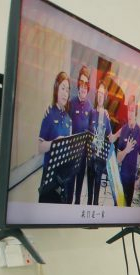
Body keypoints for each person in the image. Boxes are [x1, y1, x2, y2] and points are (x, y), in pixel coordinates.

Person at [37, 72, 74, 204]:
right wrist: (54, 143)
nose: (65, 93)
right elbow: (40, 147)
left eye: (67, 90)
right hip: (49, 178)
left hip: (63, 178)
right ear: (56, 89)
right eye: (62, 88)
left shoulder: (69, 120)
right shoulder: (49, 114)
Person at [84, 81, 114, 205]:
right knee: (89, 195)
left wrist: (121, 132)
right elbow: (86, 132)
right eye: (99, 93)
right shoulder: (91, 113)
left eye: (103, 94)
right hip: (90, 158)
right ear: (97, 95)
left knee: (96, 197)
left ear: (105, 96)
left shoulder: (106, 116)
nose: (100, 96)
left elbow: (111, 138)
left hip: (100, 160)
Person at [68, 66, 93, 204]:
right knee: (69, 191)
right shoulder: (71, 103)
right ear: (78, 84)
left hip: (83, 155)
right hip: (72, 155)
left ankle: (77, 202)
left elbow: (93, 127)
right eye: (81, 83)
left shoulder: (90, 106)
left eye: (86, 84)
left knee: (78, 193)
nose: (83, 87)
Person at [115, 95, 140, 208]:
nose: (130, 113)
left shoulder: (138, 131)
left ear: (136, 113)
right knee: (118, 207)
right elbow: (118, 158)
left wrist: (137, 168)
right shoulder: (124, 129)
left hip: (131, 179)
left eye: (132, 110)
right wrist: (126, 150)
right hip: (121, 177)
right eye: (129, 110)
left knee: (127, 208)